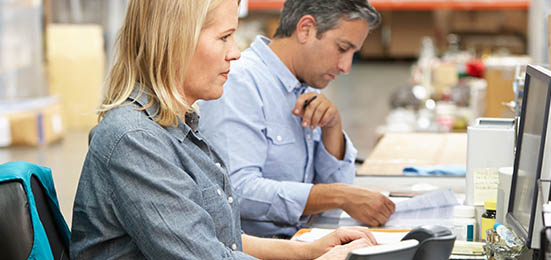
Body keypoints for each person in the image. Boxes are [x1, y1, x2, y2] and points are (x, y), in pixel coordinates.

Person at [69, 0, 377, 259]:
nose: (236, 53)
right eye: (225, 37)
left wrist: (309, 251)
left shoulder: (179, 126)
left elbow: (218, 240)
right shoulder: (136, 140)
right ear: (177, 39)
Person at [197, 0, 395, 238]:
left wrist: (332, 129)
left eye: (353, 54)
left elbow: (342, 195)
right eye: (342, 48)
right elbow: (236, 190)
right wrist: (338, 196)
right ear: (306, 29)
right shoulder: (239, 82)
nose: (346, 67)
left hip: (305, 239)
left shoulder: (306, 86)